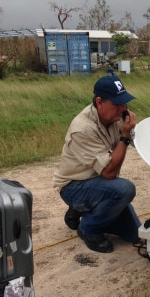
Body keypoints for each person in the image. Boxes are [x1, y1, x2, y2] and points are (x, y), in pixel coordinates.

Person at [52, 72, 141, 253]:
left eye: (124, 102)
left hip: (102, 185)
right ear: (99, 102)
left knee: (135, 234)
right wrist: (124, 136)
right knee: (125, 189)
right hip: (75, 186)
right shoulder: (83, 128)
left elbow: (140, 140)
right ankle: (88, 228)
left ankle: (86, 210)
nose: (122, 108)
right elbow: (108, 172)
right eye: (116, 104)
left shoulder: (117, 117)